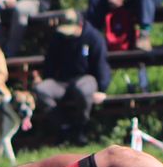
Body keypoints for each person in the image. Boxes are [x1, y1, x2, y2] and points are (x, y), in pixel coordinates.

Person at [34, 14, 110, 144]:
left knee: (83, 90)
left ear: (79, 25)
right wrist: (44, 78)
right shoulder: (59, 37)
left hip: (86, 78)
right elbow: (50, 62)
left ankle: (81, 128)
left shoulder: (94, 38)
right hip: (61, 81)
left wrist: (102, 89)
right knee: (41, 90)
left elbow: (101, 65)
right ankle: (63, 127)